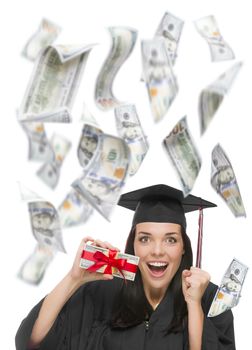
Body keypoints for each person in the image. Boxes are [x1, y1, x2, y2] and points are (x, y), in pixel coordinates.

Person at [15, 184, 236, 350]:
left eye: (170, 240)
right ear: (132, 246)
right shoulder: (102, 291)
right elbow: (32, 342)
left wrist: (194, 305)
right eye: (145, 239)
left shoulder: (212, 301)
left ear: (183, 248)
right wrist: (73, 279)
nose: (157, 251)